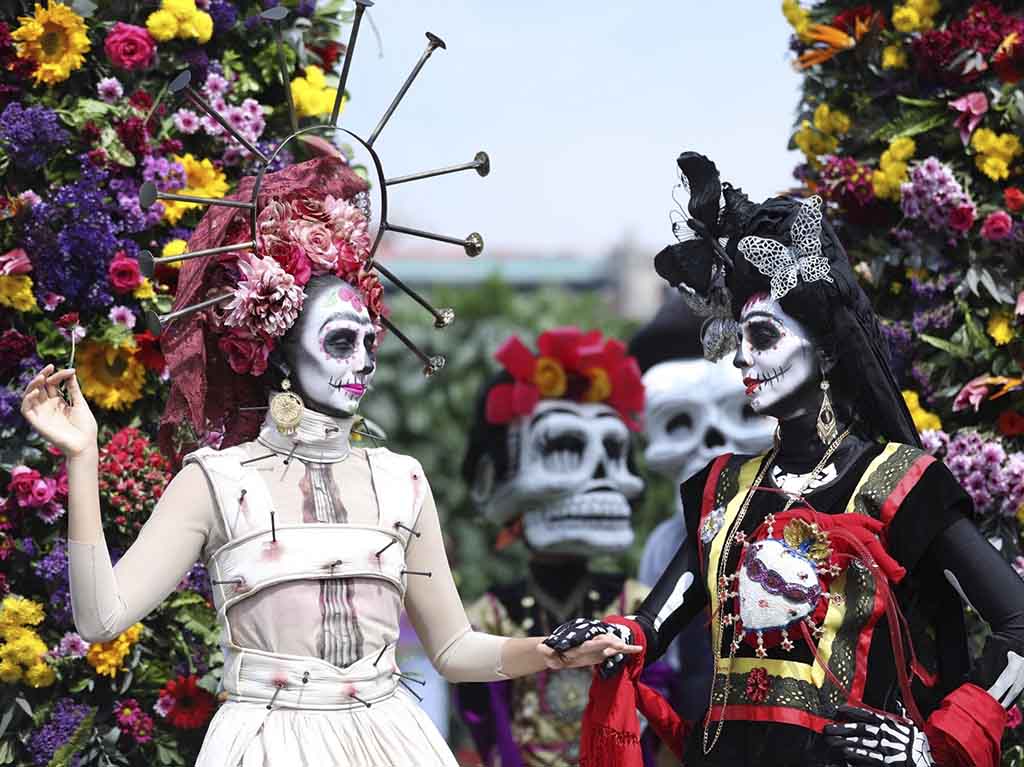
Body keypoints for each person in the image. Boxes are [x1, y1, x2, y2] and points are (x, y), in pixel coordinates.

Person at [20, 156, 637, 767]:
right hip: (266, 747)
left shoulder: (402, 480)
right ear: (283, 351)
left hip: (395, 743)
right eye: (341, 341)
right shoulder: (216, 481)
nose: (364, 360)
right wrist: (82, 457)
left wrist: (551, 651)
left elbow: (452, 648)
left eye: (370, 341)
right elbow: (101, 618)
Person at [541, 152, 1024, 767]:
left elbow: (1018, 624)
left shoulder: (899, 483)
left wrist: (930, 745)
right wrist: (616, 635)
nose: (743, 360)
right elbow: (653, 622)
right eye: (739, 340)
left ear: (824, 352)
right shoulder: (725, 489)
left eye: (764, 336)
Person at [456, 327, 651, 767]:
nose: (595, 481)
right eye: (562, 449)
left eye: (612, 454)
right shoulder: (490, 617)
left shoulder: (635, 604)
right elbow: (478, 725)